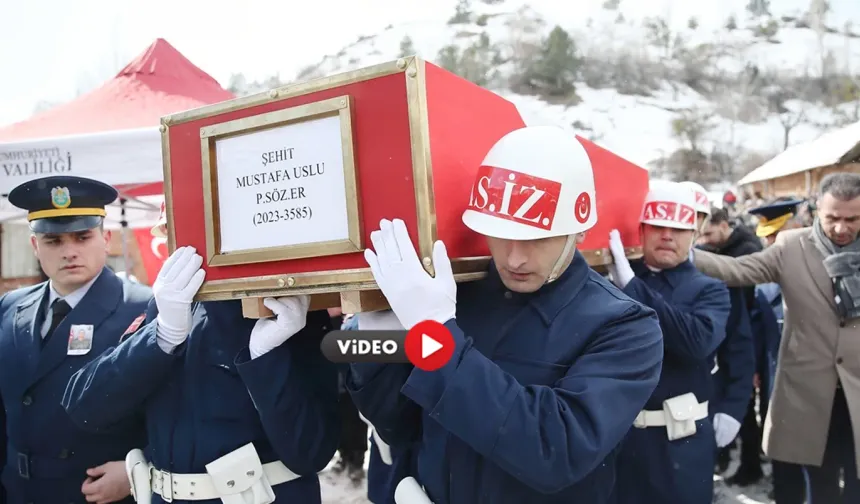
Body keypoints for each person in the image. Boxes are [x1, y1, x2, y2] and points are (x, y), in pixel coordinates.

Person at [347, 125, 664, 503]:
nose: (514, 258)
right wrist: (377, 340)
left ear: (578, 230)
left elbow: (555, 450)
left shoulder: (626, 326)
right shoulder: (455, 300)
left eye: (536, 239)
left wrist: (439, 336)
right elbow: (399, 425)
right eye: (499, 234)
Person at [61, 201, 341, 504]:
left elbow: (312, 452)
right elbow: (85, 408)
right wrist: (162, 335)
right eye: (172, 232)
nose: (182, 244)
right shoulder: (165, 307)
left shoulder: (282, 306)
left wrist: (265, 358)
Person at [690, 172, 860, 503]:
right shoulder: (791, 247)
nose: (842, 229)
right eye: (832, 219)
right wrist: (683, 250)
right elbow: (736, 270)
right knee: (821, 487)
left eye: (853, 219)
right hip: (810, 397)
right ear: (816, 212)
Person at [0, 175, 152, 503]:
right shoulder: (11, 306)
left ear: (105, 237)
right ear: (34, 246)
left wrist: (140, 467)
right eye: (54, 241)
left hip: (94, 492)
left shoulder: (142, 307)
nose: (69, 252)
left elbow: (179, 405)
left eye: (82, 237)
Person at [607, 182, 731, 503]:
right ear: (642, 231)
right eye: (658, 226)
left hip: (681, 442)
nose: (666, 235)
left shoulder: (710, 289)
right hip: (619, 441)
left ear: (692, 236)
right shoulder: (616, 278)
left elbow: (696, 341)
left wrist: (632, 287)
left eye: (677, 229)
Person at [697, 206, 759, 480]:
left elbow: (739, 291)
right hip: (734, 328)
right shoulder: (721, 247)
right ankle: (725, 459)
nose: (704, 240)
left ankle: (750, 465)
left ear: (724, 225)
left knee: (742, 404)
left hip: (750, 329)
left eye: (708, 233)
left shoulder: (746, 249)